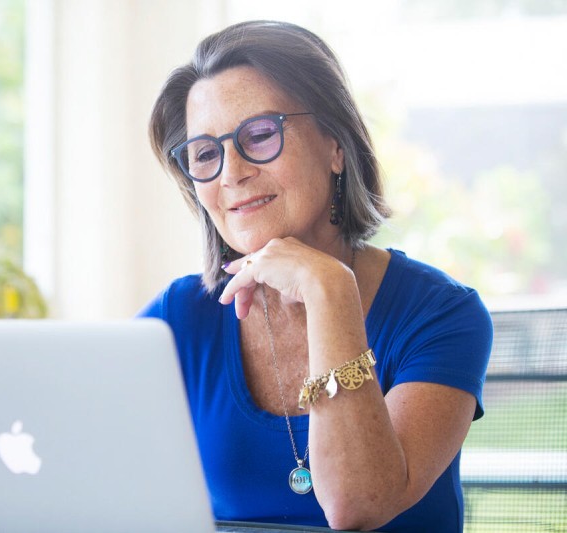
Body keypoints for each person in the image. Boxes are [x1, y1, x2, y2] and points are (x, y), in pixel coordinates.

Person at [140, 20, 492, 533]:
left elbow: (358, 505)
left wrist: (328, 292)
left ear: (336, 147)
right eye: (206, 154)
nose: (231, 171)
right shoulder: (179, 316)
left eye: (260, 134)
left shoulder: (443, 314)